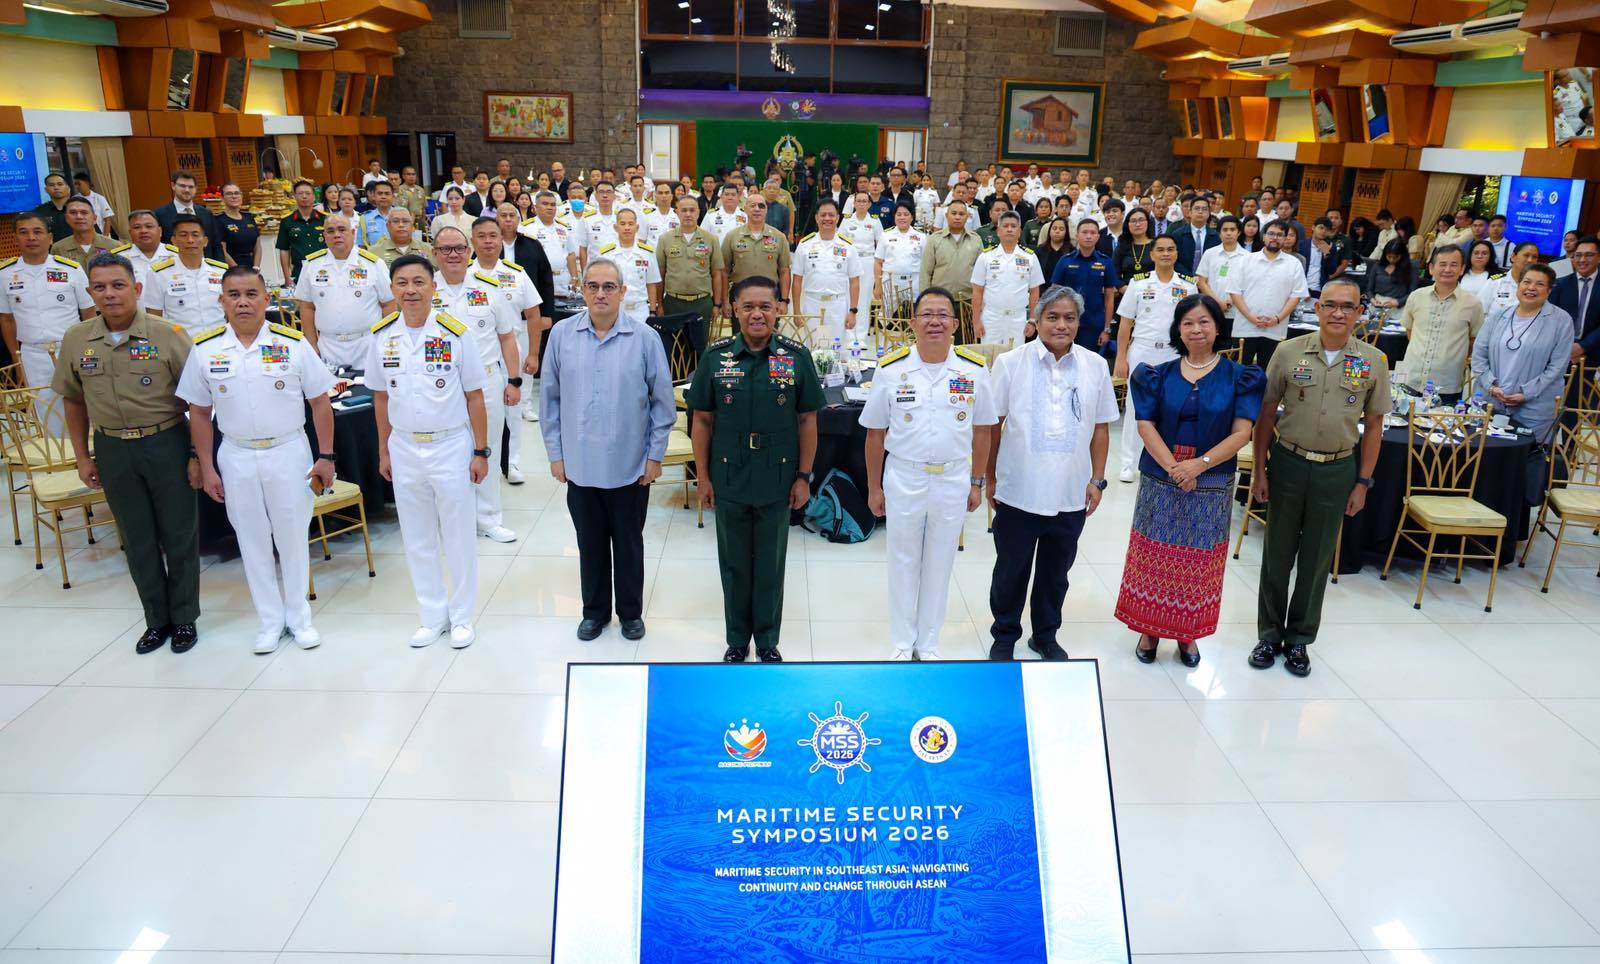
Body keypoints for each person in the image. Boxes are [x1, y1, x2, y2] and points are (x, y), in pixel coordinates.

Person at [179, 266, 335, 653]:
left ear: (267, 298)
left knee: (293, 537)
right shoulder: (206, 349)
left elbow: (320, 402)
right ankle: (269, 620)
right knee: (251, 541)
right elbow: (198, 411)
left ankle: (299, 618)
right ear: (222, 301)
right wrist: (208, 465)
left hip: (288, 452)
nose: (243, 301)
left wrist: (326, 456)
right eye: (234, 294)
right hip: (236, 455)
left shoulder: (294, 342)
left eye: (251, 293)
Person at [53, 252, 201, 654]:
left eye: (118, 285)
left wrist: (196, 455)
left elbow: (199, 401)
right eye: (99, 287)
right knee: (136, 538)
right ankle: (157, 620)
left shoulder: (168, 334)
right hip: (113, 447)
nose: (110, 294)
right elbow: (73, 400)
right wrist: (83, 457)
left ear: (136, 289)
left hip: (166, 441)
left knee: (179, 533)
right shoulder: (77, 339)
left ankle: (185, 617)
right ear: (89, 292)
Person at [1250, 276, 1389, 678]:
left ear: (1360, 312)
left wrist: (1362, 482)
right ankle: (1269, 634)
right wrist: (1259, 469)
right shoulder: (1288, 352)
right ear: (1317, 308)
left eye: (1348, 306)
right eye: (1330, 305)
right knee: (1277, 554)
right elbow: (1265, 415)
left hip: (1337, 469)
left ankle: (1299, 641)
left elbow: (1375, 425)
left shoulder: (1373, 361)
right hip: (1289, 463)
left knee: (1316, 561)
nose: (1338, 313)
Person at [1118, 294, 1262, 666]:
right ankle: (1148, 630)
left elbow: (1242, 432)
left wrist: (1198, 465)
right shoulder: (1156, 373)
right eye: (1188, 323)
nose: (1196, 330)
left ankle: (1188, 634)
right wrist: (1174, 468)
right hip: (1161, 476)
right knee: (1154, 555)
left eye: (1204, 322)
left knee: (1198, 561)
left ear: (1217, 328)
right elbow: (1145, 424)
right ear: (1177, 330)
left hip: (1211, 479)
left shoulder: (1239, 376)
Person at [688, 276, 821, 662]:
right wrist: (704, 478)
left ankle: (766, 641)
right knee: (733, 562)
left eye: (765, 306)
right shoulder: (716, 356)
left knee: (770, 562)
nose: (757, 314)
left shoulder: (796, 356)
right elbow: (701, 421)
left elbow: (808, 420)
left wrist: (804, 477)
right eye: (748, 306)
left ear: (779, 309)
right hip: (728, 474)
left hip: (778, 478)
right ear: (734, 310)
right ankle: (735, 639)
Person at [542, 259, 676, 641]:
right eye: (593, 286)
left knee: (630, 545)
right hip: (580, 466)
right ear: (582, 290)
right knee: (591, 544)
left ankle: (630, 613)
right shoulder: (562, 336)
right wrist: (556, 454)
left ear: (623, 292)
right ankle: (594, 612)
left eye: (609, 287)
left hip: (630, 466)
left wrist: (654, 457)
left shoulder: (645, 338)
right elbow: (549, 401)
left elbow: (662, 406)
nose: (600, 294)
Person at [984, 286, 1117, 661]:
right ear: (1037, 321)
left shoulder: (1094, 366)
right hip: (1019, 487)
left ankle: (1045, 635)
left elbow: (1102, 428)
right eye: (1053, 317)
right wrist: (990, 477)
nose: (1061, 324)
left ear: (1079, 322)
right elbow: (993, 424)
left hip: (1070, 491)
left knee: (1056, 574)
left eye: (1069, 318)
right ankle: (1005, 635)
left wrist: (1097, 479)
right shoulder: (1011, 363)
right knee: (1011, 570)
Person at [862, 287, 995, 659]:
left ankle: (929, 642)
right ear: (913, 322)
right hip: (904, 476)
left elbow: (983, 429)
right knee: (903, 562)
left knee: (940, 562)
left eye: (942, 315)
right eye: (926, 314)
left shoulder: (973, 369)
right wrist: (874, 488)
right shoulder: (891, 369)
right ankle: (903, 644)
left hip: (953, 477)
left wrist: (977, 482)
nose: (934, 321)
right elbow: (875, 434)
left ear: (955, 323)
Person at [371, 254, 492, 649]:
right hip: (404, 446)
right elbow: (380, 397)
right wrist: (384, 450)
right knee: (417, 536)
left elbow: (475, 396)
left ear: (432, 287)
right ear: (392, 289)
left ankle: (461, 617)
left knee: (457, 536)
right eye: (402, 283)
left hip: (450, 445)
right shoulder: (382, 336)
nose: (410, 290)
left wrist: (481, 451)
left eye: (419, 282)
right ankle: (431, 614)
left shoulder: (456, 334)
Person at [428, 224, 522, 544]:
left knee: (487, 449)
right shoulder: (425, 290)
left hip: (486, 380)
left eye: (458, 248)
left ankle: (488, 518)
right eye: (445, 249)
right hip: (442, 384)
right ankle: (453, 519)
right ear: (434, 254)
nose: (453, 254)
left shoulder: (489, 287)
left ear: (469, 252)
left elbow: (507, 337)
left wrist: (514, 380)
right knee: (447, 452)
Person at [0, 212, 96, 431]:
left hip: (71, 349)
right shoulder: (5, 274)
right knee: (45, 410)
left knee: (84, 406)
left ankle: (87, 457)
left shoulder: (70, 269)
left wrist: (87, 349)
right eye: (23, 233)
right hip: (32, 354)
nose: (31, 238)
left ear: (50, 237)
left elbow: (89, 313)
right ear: (15, 238)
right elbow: (6, 319)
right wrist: (17, 361)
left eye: (37, 232)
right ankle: (58, 458)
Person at [1114, 235, 1198, 481]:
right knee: (1135, 406)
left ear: (1176, 254)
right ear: (1151, 254)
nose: (1165, 254)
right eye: (1160, 250)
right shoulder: (1138, 283)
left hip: (1173, 352)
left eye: (1170, 249)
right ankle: (1128, 463)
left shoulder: (1188, 286)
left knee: (1170, 406)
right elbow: (1126, 322)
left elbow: (1191, 324)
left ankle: (1161, 459)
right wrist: (1121, 357)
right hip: (1142, 349)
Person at [1472, 263, 1574, 445]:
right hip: (1492, 400)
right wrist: (1490, 386)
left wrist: (1526, 393)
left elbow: (1557, 367)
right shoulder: (1499, 315)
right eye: (1526, 282)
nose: (1531, 288)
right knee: (1487, 456)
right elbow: (1479, 354)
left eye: (1540, 284)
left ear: (1549, 291)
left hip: (1534, 407)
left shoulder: (1561, 320)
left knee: (1526, 458)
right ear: (1518, 285)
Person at [294, 213, 395, 369]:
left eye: (342, 230)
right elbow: (306, 307)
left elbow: (389, 304)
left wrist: (386, 342)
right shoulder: (311, 265)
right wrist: (312, 344)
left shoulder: (373, 264)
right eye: (331, 231)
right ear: (324, 236)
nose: (337, 235)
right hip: (327, 346)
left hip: (367, 344)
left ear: (353, 233)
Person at [1395, 245, 1483, 404]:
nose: (1447, 269)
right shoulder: (1416, 296)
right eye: (1442, 264)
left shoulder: (1473, 303)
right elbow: (1410, 331)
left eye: (1454, 265)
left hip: (1446, 385)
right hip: (1411, 378)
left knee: (1440, 428)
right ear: (1431, 268)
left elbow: (1473, 340)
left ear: (1462, 269)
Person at [1227, 219, 1309, 368]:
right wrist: (1250, 316)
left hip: (1275, 329)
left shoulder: (1293, 264)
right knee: (1239, 372)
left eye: (1279, 235)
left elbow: (1296, 296)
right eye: (1271, 233)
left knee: (1268, 374)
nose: (1274, 237)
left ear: (1284, 239)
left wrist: (1277, 319)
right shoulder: (1245, 260)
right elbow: (1234, 292)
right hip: (1245, 327)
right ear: (1263, 236)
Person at [656, 193, 723, 356]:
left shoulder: (711, 239)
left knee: (700, 349)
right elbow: (660, 274)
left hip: (701, 303)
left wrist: (717, 304)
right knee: (675, 350)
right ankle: (677, 382)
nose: (688, 214)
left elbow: (717, 274)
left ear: (699, 213)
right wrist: (659, 304)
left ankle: (698, 381)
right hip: (673, 302)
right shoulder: (665, 239)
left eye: (692, 210)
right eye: (684, 210)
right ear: (677, 212)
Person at [791, 198, 862, 349]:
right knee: (814, 348)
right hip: (813, 305)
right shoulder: (805, 244)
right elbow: (796, 280)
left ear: (837, 218)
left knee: (834, 350)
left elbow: (854, 281)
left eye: (831, 215)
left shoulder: (848, 246)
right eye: (823, 215)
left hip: (837, 305)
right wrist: (796, 311)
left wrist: (853, 311)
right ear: (816, 218)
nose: (827, 219)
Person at [140, 214, 228, 335]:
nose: (190, 240)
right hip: (182, 345)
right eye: (183, 235)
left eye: (195, 235)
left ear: (205, 241)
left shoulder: (221, 272)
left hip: (219, 344)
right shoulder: (158, 274)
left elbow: (230, 312)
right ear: (174, 240)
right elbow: (154, 318)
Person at [970, 211, 1044, 348]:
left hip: (1018, 319)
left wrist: (1033, 320)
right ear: (998, 231)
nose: (1009, 229)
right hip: (991, 318)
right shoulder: (986, 257)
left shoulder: (1030, 257)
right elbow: (977, 291)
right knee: (990, 360)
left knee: (1014, 361)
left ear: (1020, 231)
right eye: (1005, 226)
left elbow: (1034, 291)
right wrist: (976, 322)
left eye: (1013, 226)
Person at [1049, 218, 1119, 351]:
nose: (1088, 236)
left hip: (1094, 324)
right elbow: (1053, 294)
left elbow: (1109, 298)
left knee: (1088, 365)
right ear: (1077, 235)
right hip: (1066, 323)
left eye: (1093, 233)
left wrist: (1106, 329)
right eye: (1084, 232)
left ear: (1098, 236)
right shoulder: (1065, 261)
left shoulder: (1106, 262)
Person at [721, 194, 791, 310]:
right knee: (740, 329)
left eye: (761, 206)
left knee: (769, 328)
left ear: (766, 210)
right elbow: (724, 271)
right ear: (745, 208)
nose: (757, 209)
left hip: (769, 296)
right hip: (741, 295)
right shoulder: (732, 236)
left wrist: (784, 301)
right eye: (753, 205)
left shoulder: (779, 237)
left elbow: (784, 271)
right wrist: (724, 301)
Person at [919, 199, 984, 318]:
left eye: (961, 214)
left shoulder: (976, 240)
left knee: (966, 336)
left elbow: (982, 274)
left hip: (968, 300)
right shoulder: (934, 239)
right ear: (946, 215)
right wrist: (925, 298)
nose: (957, 217)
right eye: (953, 213)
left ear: (967, 217)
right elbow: (926, 272)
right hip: (939, 300)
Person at [1551, 234, 1600, 368]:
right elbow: (1550, 317)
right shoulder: (1559, 284)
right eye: (1578, 255)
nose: (1582, 260)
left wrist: (1583, 346)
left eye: (1589, 255)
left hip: (1595, 352)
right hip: (1560, 350)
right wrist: (1566, 346)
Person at [153, 170, 224, 262]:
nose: (187, 190)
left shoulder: (206, 213)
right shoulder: (160, 214)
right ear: (173, 186)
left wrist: (221, 271)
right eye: (182, 186)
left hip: (206, 270)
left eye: (191, 187)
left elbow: (216, 245)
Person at [1196, 215, 1248, 337]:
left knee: (1231, 348)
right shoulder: (1210, 253)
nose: (1228, 233)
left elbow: (1247, 285)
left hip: (1236, 311)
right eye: (1225, 230)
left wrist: (1231, 300)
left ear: (1239, 232)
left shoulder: (1248, 257)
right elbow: (1201, 281)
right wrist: (1217, 302)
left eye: (1232, 229)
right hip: (1211, 309)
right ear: (1219, 233)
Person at [874, 202, 926, 319]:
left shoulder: (921, 237)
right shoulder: (886, 235)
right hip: (890, 282)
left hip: (913, 283)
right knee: (886, 319)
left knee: (913, 319)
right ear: (894, 216)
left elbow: (926, 264)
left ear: (912, 217)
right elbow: (878, 262)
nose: (902, 217)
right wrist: (878, 286)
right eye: (899, 214)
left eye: (906, 214)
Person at [276, 181, 328, 284]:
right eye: (300, 193)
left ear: (314, 196)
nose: (304, 196)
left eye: (308, 193)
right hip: (299, 271)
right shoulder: (287, 221)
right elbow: (284, 250)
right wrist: (287, 277)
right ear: (295, 196)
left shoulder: (325, 218)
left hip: (324, 270)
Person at [110, 210, 176, 285]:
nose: (143, 231)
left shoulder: (178, 256)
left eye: (149, 226)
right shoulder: (117, 258)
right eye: (137, 227)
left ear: (160, 231)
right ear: (130, 233)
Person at [1478, 241, 1539, 319]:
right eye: (1526, 255)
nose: (1530, 260)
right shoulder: (1495, 282)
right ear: (1513, 257)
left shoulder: (1538, 288)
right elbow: (1478, 312)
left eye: (1534, 257)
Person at [50, 196, 116, 263]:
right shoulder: (58, 249)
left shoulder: (114, 246)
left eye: (84, 212)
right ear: (66, 218)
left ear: (95, 218)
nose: (79, 216)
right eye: (73, 212)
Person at [214, 183, 260, 269]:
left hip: (252, 267)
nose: (234, 196)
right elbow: (222, 250)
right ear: (222, 198)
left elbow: (257, 245)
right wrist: (237, 269)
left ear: (241, 196)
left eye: (236, 193)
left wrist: (256, 266)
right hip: (233, 269)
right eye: (229, 193)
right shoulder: (219, 220)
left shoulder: (249, 217)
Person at [1366, 238, 1416, 311]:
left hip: (1398, 306)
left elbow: (1413, 293)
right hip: (1378, 304)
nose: (1392, 260)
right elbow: (1369, 289)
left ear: (1402, 255)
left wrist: (1398, 302)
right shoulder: (1377, 266)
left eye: (1395, 257)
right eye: (1389, 257)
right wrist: (1372, 300)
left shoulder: (1411, 268)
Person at [1173, 196, 1219, 275]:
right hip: (1183, 280)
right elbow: (1173, 260)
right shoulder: (1178, 234)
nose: (1200, 212)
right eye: (1197, 208)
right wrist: (1189, 277)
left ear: (1209, 214)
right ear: (1190, 212)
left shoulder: (1216, 236)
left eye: (1204, 209)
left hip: (1207, 280)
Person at [1117, 207, 1157, 284]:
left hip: (1153, 290)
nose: (1138, 224)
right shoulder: (1122, 246)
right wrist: (1123, 289)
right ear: (1127, 224)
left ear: (1148, 222)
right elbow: (1115, 274)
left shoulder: (1157, 245)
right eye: (1133, 221)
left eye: (1141, 220)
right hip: (1126, 290)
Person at [30, 173, 72, 242]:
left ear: (68, 188)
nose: (56, 187)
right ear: (46, 190)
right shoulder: (39, 212)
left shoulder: (79, 208)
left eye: (60, 184)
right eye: (51, 185)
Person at [72, 172, 116, 237]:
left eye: (79, 184)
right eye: (75, 184)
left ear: (87, 183)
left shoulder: (99, 198)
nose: (76, 186)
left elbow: (107, 219)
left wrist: (105, 236)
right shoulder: (74, 199)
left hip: (101, 234)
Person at [360, 179, 397, 248]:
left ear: (393, 196)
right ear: (374, 196)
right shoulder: (364, 218)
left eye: (387, 193)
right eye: (380, 193)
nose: (383, 196)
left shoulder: (402, 216)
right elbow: (361, 246)